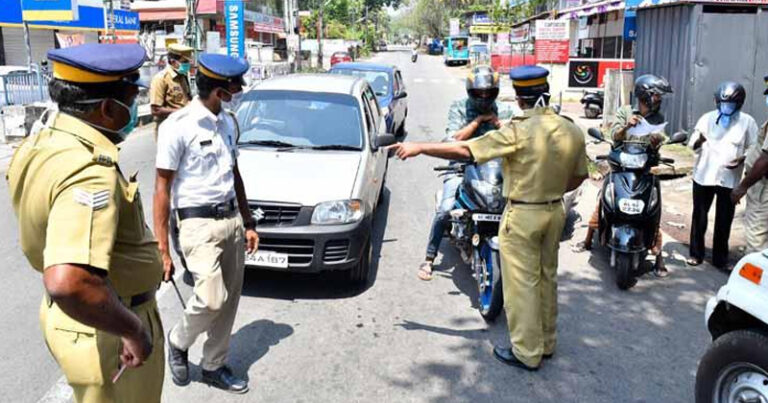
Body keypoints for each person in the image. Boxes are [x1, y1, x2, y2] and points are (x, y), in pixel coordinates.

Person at [391, 65, 588, 371]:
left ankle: (527, 352)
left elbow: (466, 151)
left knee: (521, 285)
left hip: (524, 213)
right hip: (554, 211)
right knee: (547, 278)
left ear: (519, 98)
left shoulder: (517, 129)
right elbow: (578, 177)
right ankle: (547, 343)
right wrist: (548, 190)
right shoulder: (570, 128)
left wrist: (419, 148)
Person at [6, 43, 164, 402]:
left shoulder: (46, 141)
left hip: (80, 321)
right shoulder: (89, 172)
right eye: (130, 96)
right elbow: (69, 281)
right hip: (108, 327)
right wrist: (134, 330)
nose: (135, 106)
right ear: (108, 109)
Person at [154, 53, 259, 393]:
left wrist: (248, 221)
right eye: (235, 85)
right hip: (196, 224)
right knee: (211, 298)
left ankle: (214, 364)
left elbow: (235, 173)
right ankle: (178, 340)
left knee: (229, 300)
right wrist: (163, 249)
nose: (240, 89)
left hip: (230, 220)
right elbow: (161, 189)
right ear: (219, 91)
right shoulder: (178, 126)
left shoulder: (228, 121)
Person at [417, 65, 516, 281]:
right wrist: (478, 122)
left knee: (517, 207)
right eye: (479, 93)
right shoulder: (459, 107)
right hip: (461, 166)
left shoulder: (506, 111)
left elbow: (515, 137)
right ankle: (430, 258)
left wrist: (498, 123)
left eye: (488, 93)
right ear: (470, 91)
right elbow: (452, 140)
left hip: (495, 170)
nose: (483, 97)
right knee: (445, 209)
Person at [574, 74, 673, 277]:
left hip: (644, 169)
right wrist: (627, 125)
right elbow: (614, 136)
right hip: (621, 167)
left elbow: (662, 138)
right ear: (645, 95)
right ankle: (587, 240)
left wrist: (657, 141)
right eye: (656, 95)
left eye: (659, 97)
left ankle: (658, 256)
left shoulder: (658, 118)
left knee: (653, 210)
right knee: (604, 201)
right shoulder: (625, 111)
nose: (659, 100)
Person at [688, 81, 758, 269]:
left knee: (724, 220)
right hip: (704, 176)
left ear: (739, 104)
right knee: (700, 217)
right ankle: (696, 254)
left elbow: (754, 148)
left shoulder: (747, 122)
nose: (727, 107)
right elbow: (692, 143)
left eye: (731, 104)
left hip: (729, 178)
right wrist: (699, 142)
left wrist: (742, 158)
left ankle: (720, 258)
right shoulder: (707, 119)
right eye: (723, 103)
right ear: (717, 102)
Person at [731, 75, 768, 253]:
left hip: (763, 190)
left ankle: (758, 279)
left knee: (756, 242)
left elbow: (766, 159)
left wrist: (742, 187)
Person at [150, 43, 193, 136]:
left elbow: (187, 99)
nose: (187, 65)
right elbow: (156, 110)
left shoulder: (183, 77)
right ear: (173, 62)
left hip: (185, 127)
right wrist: (183, 112)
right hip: (168, 130)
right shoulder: (161, 79)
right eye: (185, 61)